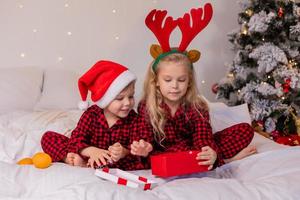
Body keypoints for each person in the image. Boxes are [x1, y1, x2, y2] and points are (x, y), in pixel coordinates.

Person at [130, 4, 256, 170]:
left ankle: (210, 159)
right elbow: (142, 136)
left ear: (189, 81)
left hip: (194, 150)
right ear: (156, 81)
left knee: (245, 129)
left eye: (181, 80)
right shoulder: (147, 105)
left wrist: (209, 152)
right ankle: (224, 161)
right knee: (165, 154)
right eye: (168, 80)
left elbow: (203, 136)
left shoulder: (197, 106)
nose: (175, 86)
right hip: (161, 154)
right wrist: (143, 147)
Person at [41, 60, 144, 170]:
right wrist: (91, 151)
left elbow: (139, 145)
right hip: (86, 152)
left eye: (131, 96)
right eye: (119, 98)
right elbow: (76, 139)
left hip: (115, 160)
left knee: (139, 159)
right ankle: (70, 158)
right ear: (105, 99)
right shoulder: (92, 114)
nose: (128, 103)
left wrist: (123, 152)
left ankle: (91, 164)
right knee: (48, 137)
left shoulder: (134, 119)